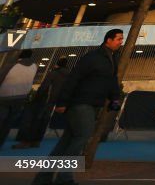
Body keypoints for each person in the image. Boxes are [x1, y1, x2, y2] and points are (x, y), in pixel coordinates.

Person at [31, 29, 123, 185]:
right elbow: (74, 78)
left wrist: (115, 99)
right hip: (81, 103)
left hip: (92, 104)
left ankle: (43, 177)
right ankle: (64, 177)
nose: (121, 42)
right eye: (118, 39)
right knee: (82, 137)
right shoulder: (92, 58)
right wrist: (62, 102)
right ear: (108, 40)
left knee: (66, 142)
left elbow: (111, 82)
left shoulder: (112, 60)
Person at [14, 57, 71, 149]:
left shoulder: (53, 73)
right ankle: (37, 140)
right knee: (44, 121)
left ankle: (27, 141)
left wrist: (36, 97)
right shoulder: (68, 76)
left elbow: (44, 86)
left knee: (35, 120)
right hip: (54, 101)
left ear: (58, 64)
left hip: (44, 100)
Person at [0, 49, 39, 148]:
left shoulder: (12, 65)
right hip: (21, 98)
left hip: (4, 97)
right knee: (8, 123)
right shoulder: (34, 67)